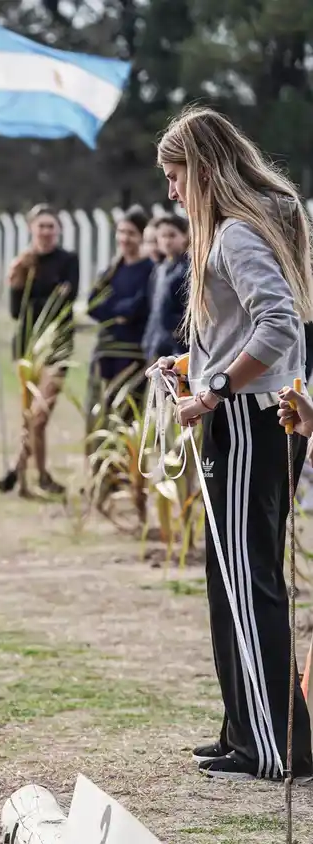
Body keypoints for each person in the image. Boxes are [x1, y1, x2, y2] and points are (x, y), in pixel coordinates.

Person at [148, 105, 313, 783]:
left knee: (248, 581)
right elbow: (247, 333)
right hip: (243, 416)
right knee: (231, 579)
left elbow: (280, 327)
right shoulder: (236, 231)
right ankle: (243, 732)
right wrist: (193, 365)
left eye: (176, 175)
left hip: (247, 422)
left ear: (205, 169)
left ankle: (274, 746)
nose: (171, 191)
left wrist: (212, 389)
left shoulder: (236, 235)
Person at [0, 204, 79, 496]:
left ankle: (17, 468)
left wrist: (39, 298)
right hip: (27, 346)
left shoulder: (68, 261)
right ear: (31, 228)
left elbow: (65, 300)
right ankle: (37, 476)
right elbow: (16, 311)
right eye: (41, 226)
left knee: (39, 414)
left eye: (50, 226)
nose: (45, 231)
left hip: (56, 346)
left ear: (58, 230)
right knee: (28, 416)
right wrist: (24, 282)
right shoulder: (23, 262)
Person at [85, 205, 155, 427]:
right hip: (105, 352)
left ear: (142, 236)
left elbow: (136, 309)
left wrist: (112, 310)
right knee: (100, 414)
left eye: (131, 233)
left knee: (125, 416)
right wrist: (118, 313)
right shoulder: (111, 270)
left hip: (132, 354)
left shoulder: (150, 270)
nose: (125, 238)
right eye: (121, 232)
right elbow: (92, 305)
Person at [141, 213, 191, 364]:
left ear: (184, 236)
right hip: (156, 342)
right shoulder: (159, 269)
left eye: (172, 235)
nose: (167, 241)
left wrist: (177, 331)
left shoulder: (188, 269)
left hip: (178, 346)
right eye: (163, 236)